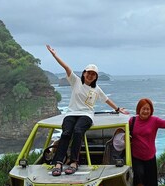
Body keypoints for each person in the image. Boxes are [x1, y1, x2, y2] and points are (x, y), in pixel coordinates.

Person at [46, 45, 128, 176]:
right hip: (71, 113)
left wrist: (118, 109)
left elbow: (106, 100)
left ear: (96, 77)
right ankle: (58, 163)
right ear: (84, 73)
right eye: (88, 73)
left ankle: (74, 162)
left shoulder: (97, 90)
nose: (90, 75)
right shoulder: (76, 81)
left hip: (86, 115)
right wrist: (55, 55)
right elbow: (67, 68)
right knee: (66, 133)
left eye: (93, 74)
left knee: (78, 131)